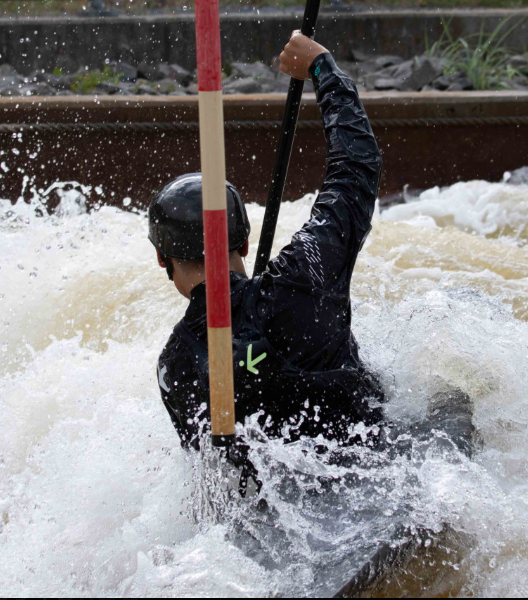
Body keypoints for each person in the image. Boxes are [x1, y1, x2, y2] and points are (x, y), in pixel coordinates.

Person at [149, 31, 385, 453]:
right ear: (243, 243)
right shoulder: (301, 278)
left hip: (279, 494)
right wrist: (323, 68)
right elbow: (354, 172)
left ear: (162, 259)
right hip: (384, 469)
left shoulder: (176, 365)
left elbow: (212, 475)